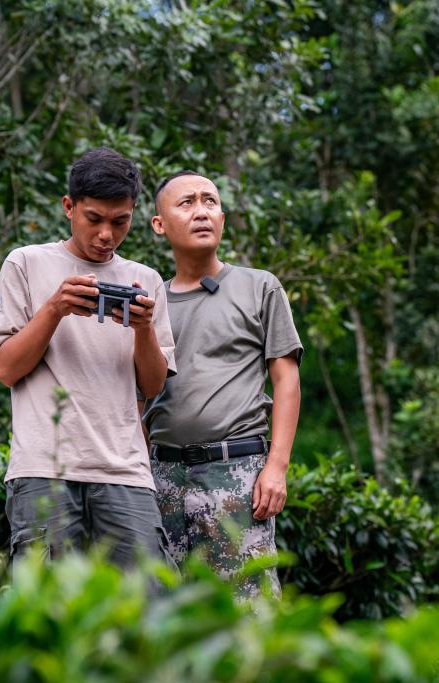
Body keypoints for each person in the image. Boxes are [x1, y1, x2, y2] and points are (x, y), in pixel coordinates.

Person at [0, 147, 176, 569]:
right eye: (94, 219)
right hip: (42, 468)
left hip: (125, 471)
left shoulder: (146, 280)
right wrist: (54, 309)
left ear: (133, 214)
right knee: (45, 611)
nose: (106, 234)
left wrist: (143, 328)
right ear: (69, 207)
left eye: (120, 221)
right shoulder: (27, 263)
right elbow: (6, 369)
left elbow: (154, 386)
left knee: (149, 605)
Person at [141, 170, 302, 597]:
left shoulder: (259, 287)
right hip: (163, 476)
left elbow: (286, 380)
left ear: (223, 219)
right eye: (187, 203)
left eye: (209, 201)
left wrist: (277, 468)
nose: (201, 212)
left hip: (238, 472)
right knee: (166, 614)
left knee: (247, 612)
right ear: (159, 225)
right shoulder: (146, 300)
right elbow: (135, 395)